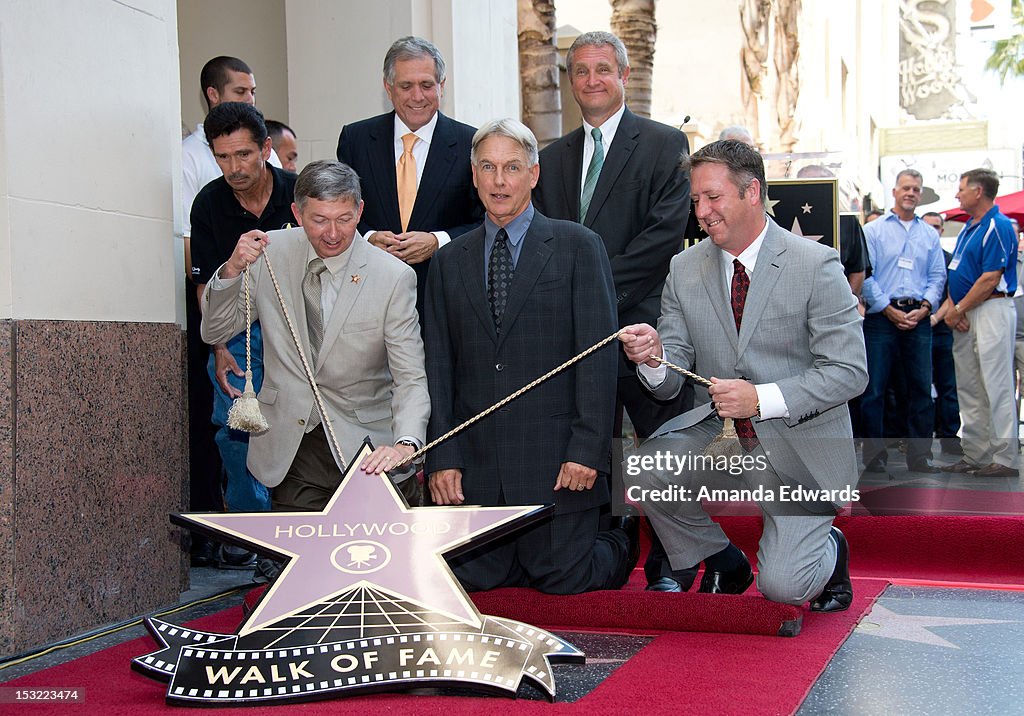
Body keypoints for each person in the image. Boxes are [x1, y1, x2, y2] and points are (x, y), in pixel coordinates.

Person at [620, 140, 867, 611]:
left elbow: (850, 372)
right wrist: (652, 357)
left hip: (800, 439)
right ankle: (722, 558)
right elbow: (673, 374)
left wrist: (761, 399)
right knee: (644, 470)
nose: (702, 212)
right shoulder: (683, 267)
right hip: (721, 434)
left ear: (752, 192)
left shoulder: (816, 264)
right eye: (696, 201)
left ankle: (830, 551)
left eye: (713, 197)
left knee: (784, 589)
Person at [424, 119, 638, 594]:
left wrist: (587, 452)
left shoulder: (578, 246)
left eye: (512, 167)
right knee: (473, 581)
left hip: (556, 463)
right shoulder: (447, 260)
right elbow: (438, 366)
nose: (500, 181)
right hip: (476, 469)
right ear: (474, 176)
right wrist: (443, 456)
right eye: (489, 168)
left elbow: (597, 360)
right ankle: (515, 554)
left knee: (563, 578)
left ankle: (622, 535)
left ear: (534, 175)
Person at [531, 31, 692, 592]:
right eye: (580, 71)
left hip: (641, 324)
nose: (592, 80)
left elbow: (662, 239)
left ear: (623, 76)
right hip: (572, 336)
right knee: (587, 445)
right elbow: (546, 242)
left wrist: (594, 299)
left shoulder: (665, 144)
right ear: (568, 81)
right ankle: (602, 554)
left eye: (603, 69)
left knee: (657, 443)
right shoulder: (548, 160)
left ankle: (670, 561)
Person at [201, 160, 429, 510]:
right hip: (292, 446)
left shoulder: (393, 276)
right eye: (319, 220)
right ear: (296, 211)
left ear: (360, 210)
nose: (333, 234)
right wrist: (231, 269)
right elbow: (215, 329)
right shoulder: (269, 253)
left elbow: (409, 375)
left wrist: (407, 443)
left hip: (368, 449)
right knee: (301, 559)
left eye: (345, 219)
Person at [190, 103, 299, 570]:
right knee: (234, 428)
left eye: (243, 155)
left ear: (267, 150)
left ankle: (295, 530)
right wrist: (217, 348)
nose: (234, 167)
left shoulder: (299, 192)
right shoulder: (209, 203)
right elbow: (204, 285)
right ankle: (255, 534)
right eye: (222, 157)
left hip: (297, 326)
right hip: (235, 330)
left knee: (294, 424)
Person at [336, 36, 483, 318]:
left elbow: (485, 219)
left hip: (445, 301)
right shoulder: (356, 139)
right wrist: (367, 238)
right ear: (388, 88)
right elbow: (342, 210)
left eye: (427, 85)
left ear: (442, 86)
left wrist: (438, 241)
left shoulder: (471, 143)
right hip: (369, 298)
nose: (418, 96)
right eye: (406, 86)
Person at [859, 170, 946, 474]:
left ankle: (921, 456)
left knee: (922, 388)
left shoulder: (929, 235)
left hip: (919, 317)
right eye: (906, 188)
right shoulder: (874, 231)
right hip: (882, 319)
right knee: (875, 390)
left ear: (921, 195)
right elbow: (865, 274)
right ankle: (874, 457)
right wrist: (886, 308)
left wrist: (925, 307)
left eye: (916, 189)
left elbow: (938, 276)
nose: (911, 193)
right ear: (894, 192)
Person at [940, 169, 1019, 477]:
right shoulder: (970, 228)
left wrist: (957, 309)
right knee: (970, 386)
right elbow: (956, 271)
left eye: (961, 189)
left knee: (996, 385)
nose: (957, 195)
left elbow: (990, 278)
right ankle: (976, 453)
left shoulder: (998, 225)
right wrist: (956, 308)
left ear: (979, 191)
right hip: (966, 312)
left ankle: (1005, 458)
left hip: (990, 309)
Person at [921, 211, 962, 456]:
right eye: (928, 227)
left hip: (941, 328)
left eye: (937, 227)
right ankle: (915, 438)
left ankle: (949, 436)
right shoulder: (915, 256)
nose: (933, 231)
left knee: (948, 385)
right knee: (918, 387)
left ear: (942, 231)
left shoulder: (950, 259)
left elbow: (953, 294)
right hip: (915, 329)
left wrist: (934, 318)